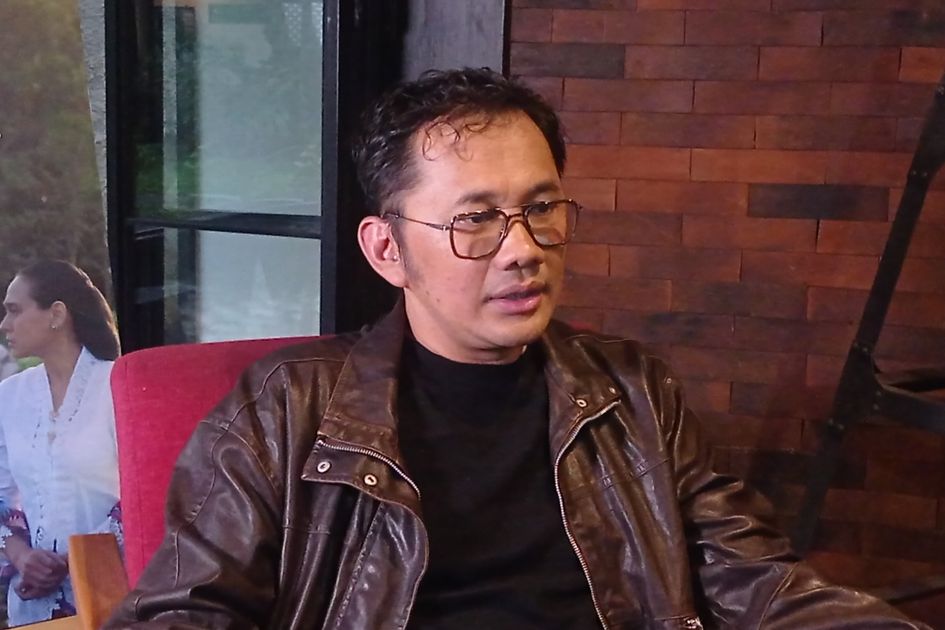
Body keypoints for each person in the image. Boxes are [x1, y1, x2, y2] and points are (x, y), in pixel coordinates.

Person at [105, 68, 927, 629]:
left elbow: (760, 583)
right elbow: (184, 610)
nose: (523, 249)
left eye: (541, 209)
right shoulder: (285, 406)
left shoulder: (632, 391)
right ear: (387, 249)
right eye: (476, 220)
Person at [0, 260, 121, 626]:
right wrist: (22, 557)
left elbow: (152, 493)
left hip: (112, 601)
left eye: (14, 310)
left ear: (56, 314)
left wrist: (73, 561)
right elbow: (2, 495)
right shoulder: (9, 396)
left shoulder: (120, 388)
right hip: (33, 608)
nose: (4, 324)